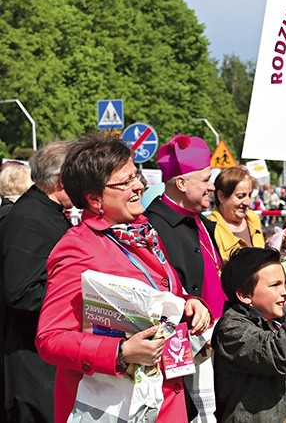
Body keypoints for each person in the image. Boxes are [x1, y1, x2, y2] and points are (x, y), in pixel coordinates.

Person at [35, 133, 211, 422]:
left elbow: (161, 293)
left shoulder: (142, 231)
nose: (139, 186)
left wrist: (190, 303)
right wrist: (121, 351)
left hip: (164, 395)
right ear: (94, 199)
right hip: (115, 406)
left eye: (136, 176)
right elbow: (50, 339)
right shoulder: (78, 247)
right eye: (126, 182)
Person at [0, 141, 74, 422]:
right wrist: (83, 299)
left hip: (43, 356)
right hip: (29, 363)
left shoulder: (45, 212)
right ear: (62, 181)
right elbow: (21, 292)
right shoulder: (29, 218)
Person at [213, 247, 286, 422]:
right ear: (244, 295)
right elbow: (280, 355)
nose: (285, 292)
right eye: (275, 285)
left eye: (285, 283)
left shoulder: (274, 324)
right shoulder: (231, 329)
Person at [145, 134, 224, 316]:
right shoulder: (152, 227)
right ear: (181, 184)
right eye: (205, 180)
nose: (211, 187)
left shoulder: (199, 219)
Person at [209, 166, 265, 263]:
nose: (247, 202)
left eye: (249, 195)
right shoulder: (209, 229)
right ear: (221, 196)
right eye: (240, 196)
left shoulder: (253, 219)